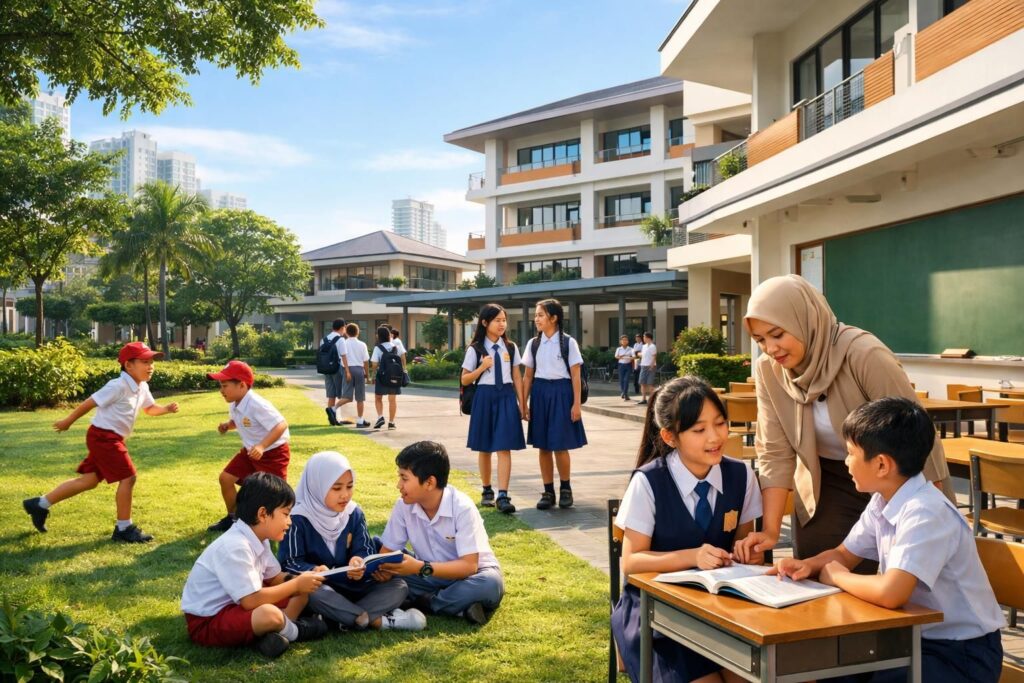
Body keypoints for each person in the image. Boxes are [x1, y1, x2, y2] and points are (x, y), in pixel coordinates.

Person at [772, 397, 1003, 683]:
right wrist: (807, 565)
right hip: (912, 637)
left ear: (881, 465)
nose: (845, 463)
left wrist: (836, 576)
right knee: (831, 671)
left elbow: (891, 593)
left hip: (960, 652)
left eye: (850, 454)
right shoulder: (883, 500)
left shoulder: (925, 511)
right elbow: (844, 554)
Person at [733, 274, 951, 566]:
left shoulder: (863, 354)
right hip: (825, 479)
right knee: (813, 571)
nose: (771, 349)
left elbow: (917, 435)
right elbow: (774, 451)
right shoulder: (768, 370)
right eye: (760, 340)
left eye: (777, 334)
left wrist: (928, 509)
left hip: (892, 476)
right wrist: (771, 530)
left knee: (898, 573)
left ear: (804, 320)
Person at [612, 376, 762, 683]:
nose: (715, 437)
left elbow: (742, 545)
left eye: (720, 423)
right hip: (655, 614)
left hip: (721, 612)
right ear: (669, 437)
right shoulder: (648, 482)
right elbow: (631, 562)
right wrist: (693, 556)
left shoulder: (742, 476)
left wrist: (749, 552)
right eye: (699, 430)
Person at [22, 342, 179, 543]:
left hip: (110, 438)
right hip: (103, 437)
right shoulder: (118, 385)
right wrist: (67, 421)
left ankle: (39, 504)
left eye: (152, 362)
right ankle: (124, 528)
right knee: (128, 478)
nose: (150, 366)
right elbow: (90, 402)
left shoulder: (142, 387)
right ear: (128, 365)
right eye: (145, 362)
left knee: (89, 481)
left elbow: (149, 408)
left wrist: (165, 409)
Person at [181, 473, 327, 658]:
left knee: (299, 594)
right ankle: (296, 631)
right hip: (208, 621)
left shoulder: (258, 537)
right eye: (286, 514)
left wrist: (305, 579)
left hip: (237, 606)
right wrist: (295, 585)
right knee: (269, 614)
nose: (289, 521)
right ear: (263, 514)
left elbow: (273, 577)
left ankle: (273, 633)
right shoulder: (235, 546)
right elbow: (250, 600)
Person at [278, 451, 424, 631]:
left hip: (355, 588)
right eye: (337, 488)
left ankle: (342, 619)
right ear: (317, 486)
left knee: (399, 586)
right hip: (323, 590)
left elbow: (364, 549)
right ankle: (375, 620)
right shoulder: (297, 518)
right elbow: (289, 562)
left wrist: (359, 561)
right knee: (312, 592)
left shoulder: (353, 513)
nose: (345, 495)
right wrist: (313, 570)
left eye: (349, 486)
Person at [374, 441, 504, 625]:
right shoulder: (403, 506)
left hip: (470, 576)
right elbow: (387, 551)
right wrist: (384, 570)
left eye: (404, 478)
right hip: (427, 576)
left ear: (429, 482)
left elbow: (469, 566)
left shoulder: (462, 508)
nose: (398, 485)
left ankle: (426, 603)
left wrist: (420, 567)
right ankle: (459, 606)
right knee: (375, 547)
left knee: (490, 584)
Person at [206, 360, 291, 533]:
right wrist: (228, 425)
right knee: (226, 478)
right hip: (250, 452)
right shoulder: (235, 402)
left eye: (225, 385)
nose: (221, 390)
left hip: (272, 453)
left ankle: (285, 526)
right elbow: (241, 421)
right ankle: (234, 519)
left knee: (275, 495)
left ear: (242, 385)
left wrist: (261, 446)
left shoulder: (256, 403)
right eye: (220, 386)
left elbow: (281, 425)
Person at [522, 298, 587, 511]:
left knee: (560, 445)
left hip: (562, 393)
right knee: (543, 446)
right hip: (540, 394)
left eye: (540, 315)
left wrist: (576, 404)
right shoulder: (534, 344)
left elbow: (576, 376)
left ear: (554, 318)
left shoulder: (569, 342)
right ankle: (548, 492)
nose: (536, 319)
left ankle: (566, 489)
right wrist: (523, 403)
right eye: (536, 315)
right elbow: (527, 376)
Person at [461, 303, 526, 514]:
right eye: (497, 320)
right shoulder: (475, 349)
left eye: (504, 320)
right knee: (485, 447)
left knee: (504, 446)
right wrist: (482, 367)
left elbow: (517, 376)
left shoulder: (511, 347)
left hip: (506, 396)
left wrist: (522, 403)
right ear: (485, 322)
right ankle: (487, 490)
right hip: (484, 397)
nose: (502, 324)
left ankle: (503, 495)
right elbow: (464, 379)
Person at [337, 323, 371, 429]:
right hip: (359, 370)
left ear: (346, 332)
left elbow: (341, 358)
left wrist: (346, 371)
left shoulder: (343, 344)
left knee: (347, 396)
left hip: (347, 369)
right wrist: (367, 375)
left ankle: (333, 408)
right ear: (358, 332)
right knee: (360, 397)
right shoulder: (362, 344)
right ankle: (360, 420)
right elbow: (365, 361)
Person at [371, 325, 404, 430]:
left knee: (378, 397)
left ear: (379, 336)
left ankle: (380, 417)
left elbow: (374, 364)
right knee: (392, 400)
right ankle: (391, 422)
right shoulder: (395, 347)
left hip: (382, 376)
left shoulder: (378, 348)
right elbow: (401, 358)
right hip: (395, 375)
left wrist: (373, 375)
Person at [322, 318, 351, 426]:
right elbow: (344, 356)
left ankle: (331, 420)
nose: (345, 331)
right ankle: (337, 418)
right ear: (342, 327)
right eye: (344, 328)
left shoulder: (324, 339)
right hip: (337, 368)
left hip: (326, 369)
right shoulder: (340, 339)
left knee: (331, 395)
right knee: (340, 395)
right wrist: (347, 371)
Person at [637, 331, 657, 406]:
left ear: (648, 338)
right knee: (642, 383)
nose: (643, 338)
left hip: (650, 366)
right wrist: (639, 354)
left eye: (644, 337)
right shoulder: (644, 346)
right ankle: (643, 399)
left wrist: (651, 365)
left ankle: (653, 399)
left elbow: (654, 356)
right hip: (643, 365)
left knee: (650, 384)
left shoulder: (653, 346)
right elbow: (643, 355)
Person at [615, 334, 634, 401]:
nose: (624, 341)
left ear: (628, 341)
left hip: (628, 365)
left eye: (626, 340)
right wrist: (620, 356)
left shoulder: (631, 349)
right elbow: (616, 356)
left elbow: (633, 356)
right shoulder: (618, 349)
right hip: (621, 365)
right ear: (621, 342)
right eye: (623, 340)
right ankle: (624, 392)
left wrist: (629, 357)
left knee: (626, 380)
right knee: (621, 380)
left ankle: (625, 393)